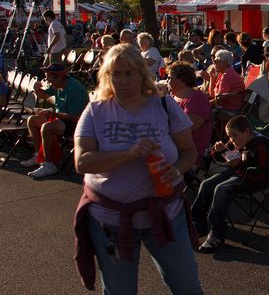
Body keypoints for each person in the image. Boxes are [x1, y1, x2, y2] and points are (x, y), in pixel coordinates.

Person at [73, 44, 202, 294]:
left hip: (165, 215)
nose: (122, 80)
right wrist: (128, 154)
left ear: (142, 74)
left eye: (129, 73)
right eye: (115, 74)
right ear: (106, 76)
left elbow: (189, 152)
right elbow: (82, 162)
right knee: (120, 290)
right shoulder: (95, 111)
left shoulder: (164, 105)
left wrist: (176, 170)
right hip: (110, 221)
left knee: (187, 286)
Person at [191, 115, 269, 253]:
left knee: (221, 188)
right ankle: (197, 222)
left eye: (235, 135)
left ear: (247, 132)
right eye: (230, 136)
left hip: (251, 179)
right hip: (237, 172)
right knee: (206, 184)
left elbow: (259, 176)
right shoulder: (237, 142)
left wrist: (238, 165)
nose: (232, 140)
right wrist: (218, 151)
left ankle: (216, 231)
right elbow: (224, 156)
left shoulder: (259, 147)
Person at [20, 63, 90, 177]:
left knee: (47, 127)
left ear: (57, 77)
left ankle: (49, 165)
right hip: (61, 118)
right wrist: (37, 89)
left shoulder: (74, 89)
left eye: (49, 78)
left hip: (77, 124)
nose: (48, 81)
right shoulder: (58, 84)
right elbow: (44, 96)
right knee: (32, 120)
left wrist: (52, 113)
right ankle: (39, 157)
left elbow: (74, 117)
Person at [167, 61, 212, 166]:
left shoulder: (197, 100)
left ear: (182, 80)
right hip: (174, 149)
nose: (167, 81)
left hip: (189, 155)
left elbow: (186, 128)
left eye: (169, 78)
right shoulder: (173, 98)